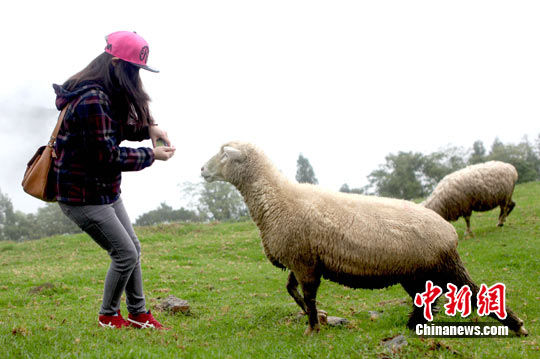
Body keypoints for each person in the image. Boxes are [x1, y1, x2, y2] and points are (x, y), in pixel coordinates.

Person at [53, 31, 175, 329]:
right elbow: (107, 155)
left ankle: (138, 313)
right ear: (117, 64)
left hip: (104, 190)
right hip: (81, 196)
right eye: (134, 69)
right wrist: (151, 155)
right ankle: (108, 316)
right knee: (124, 253)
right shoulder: (92, 98)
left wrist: (149, 129)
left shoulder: (103, 93)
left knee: (132, 248)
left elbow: (114, 128)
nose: (136, 77)